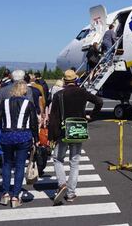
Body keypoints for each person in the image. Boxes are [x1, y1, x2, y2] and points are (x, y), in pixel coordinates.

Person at [49, 69, 103, 204]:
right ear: (75, 79)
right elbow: (99, 101)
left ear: (64, 81)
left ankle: (62, 184)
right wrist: (91, 116)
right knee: (75, 162)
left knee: (57, 158)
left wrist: (52, 135)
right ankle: (71, 193)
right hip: (79, 129)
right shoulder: (82, 92)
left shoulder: (59, 94)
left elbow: (54, 117)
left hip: (63, 130)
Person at [0, 81, 39, 208]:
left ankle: (5, 193)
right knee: (20, 165)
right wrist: (36, 138)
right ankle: (15, 196)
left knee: (6, 164)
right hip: (23, 137)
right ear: (24, 91)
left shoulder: (5, 103)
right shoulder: (28, 103)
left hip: (7, 136)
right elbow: (33, 123)